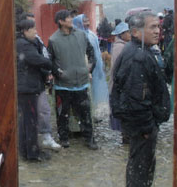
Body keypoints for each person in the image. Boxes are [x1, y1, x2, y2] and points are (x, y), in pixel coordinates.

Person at [110, 11, 170, 187]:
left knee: (144, 166)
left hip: (145, 123)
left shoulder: (141, 51)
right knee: (140, 167)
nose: (157, 31)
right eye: (152, 27)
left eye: (158, 26)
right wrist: (146, 126)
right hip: (142, 125)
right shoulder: (137, 56)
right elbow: (136, 98)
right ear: (135, 32)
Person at [47, 10, 98, 150]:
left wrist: (89, 67)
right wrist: (58, 73)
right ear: (61, 21)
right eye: (69, 18)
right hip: (63, 85)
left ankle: (89, 139)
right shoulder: (53, 40)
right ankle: (64, 138)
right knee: (62, 114)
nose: (72, 19)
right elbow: (49, 61)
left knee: (85, 113)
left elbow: (91, 53)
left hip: (81, 83)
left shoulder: (81, 35)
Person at [18, 13, 61, 152]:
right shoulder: (23, 45)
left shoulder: (35, 41)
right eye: (32, 28)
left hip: (35, 83)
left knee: (35, 115)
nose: (36, 31)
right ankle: (31, 150)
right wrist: (53, 68)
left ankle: (33, 145)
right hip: (28, 86)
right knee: (30, 118)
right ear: (24, 29)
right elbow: (37, 60)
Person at [73, 14, 110, 124]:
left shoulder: (92, 34)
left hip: (96, 68)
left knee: (96, 91)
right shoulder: (77, 36)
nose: (87, 23)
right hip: (86, 70)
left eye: (88, 20)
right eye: (84, 21)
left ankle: (95, 113)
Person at [108, 21, 131, 144]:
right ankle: (126, 136)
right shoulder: (120, 47)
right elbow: (119, 68)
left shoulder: (123, 45)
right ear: (122, 34)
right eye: (127, 32)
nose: (129, 34)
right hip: (120, 85)